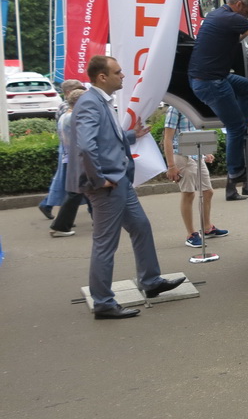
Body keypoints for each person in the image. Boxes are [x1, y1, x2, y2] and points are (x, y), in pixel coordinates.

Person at [66, 55, 185, 320]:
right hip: (107, 184)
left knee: (141, 227)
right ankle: (104, 303)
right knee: (105, 244)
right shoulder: (90, 103)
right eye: (118, 72)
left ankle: (151, 281)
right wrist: (99, 179)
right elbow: (86, 146)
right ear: (102, 77)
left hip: (118, 181)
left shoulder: (99, 101)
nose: (123, 76)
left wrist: (132, 136)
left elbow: (105, 138)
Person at [188, 0, 248, 200]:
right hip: (212, 83)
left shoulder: (218, 15)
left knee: (244, 85)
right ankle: (236, 171)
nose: (246, 18)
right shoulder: (231, 17)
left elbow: (239, 37)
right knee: (235, 127)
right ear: (240, 5)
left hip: (208, 79)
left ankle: (246, 124)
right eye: (247, 13)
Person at [162, 104, 231, 247]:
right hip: (181, 155)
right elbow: (167, 138)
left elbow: (196, 132)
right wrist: (171, 165)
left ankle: (207, 228)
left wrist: (205, 152)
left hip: (196, 154)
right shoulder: (175, 108)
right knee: (188, 194)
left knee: (208, 192)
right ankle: (191, 234)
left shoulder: (193, 106)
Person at [38, 78, 85, 219]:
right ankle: (51, 208)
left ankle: (49, 206)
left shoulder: (64, 107)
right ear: (70, 92)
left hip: (67, 148)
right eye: (79, 89)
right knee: (69, 182)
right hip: (70, 149)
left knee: (68, 181)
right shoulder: (68, 109)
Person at [49, 87, 88, 237]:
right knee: (76, 193)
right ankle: (60, 226)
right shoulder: (73, 118)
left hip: (71, 158)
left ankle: (61, 225)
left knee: (76, 192)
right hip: (78, 159)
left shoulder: (65, 116)